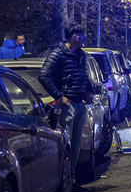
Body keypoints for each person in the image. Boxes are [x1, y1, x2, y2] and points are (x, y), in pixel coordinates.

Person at [39, 25, 92, 174]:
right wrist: (58, 96)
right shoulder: (58, 53)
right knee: (66, 144)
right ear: (75, 36)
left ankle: (71, 179)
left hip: (79, 103)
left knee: (75, 145)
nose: (84, 38)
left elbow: (82, 75)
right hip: (67, 106)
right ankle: (63, 181)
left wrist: (89, 91)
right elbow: (43, 75)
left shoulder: (80, 54)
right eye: (82, 35)